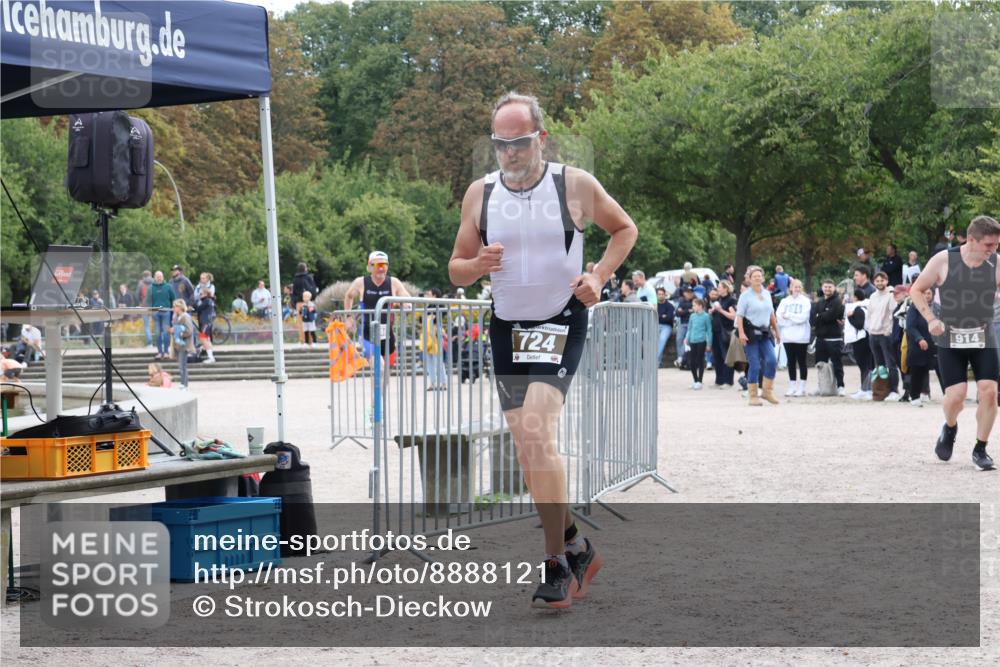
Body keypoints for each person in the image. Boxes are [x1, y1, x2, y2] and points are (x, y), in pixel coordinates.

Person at [447, 92, 636, 609]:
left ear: (541, 138)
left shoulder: (573, 184)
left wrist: (598, 274)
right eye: (501, 143)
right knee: (529, 451)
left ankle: (555, 563)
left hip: (559, 319)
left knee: (535, 431)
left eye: (520, 141)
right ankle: (579, 544)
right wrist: (480, 264)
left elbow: (624, 229)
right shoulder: (479, 194)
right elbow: (456, 268)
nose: (510, 152)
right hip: (507, 328)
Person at [910, 214, 1000, 471]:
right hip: (950, 334)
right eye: (989, 245)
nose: (993, 250)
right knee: (956, 397)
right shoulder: (943, 261)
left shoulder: (996, 263)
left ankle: (980, 449)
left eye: (996, 245)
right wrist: (929, 319)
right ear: (972, 239)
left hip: (983, 333)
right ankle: (950, 427)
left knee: (989, 391)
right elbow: (916, 290)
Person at [343, 251, 411, 365]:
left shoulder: (393, 282)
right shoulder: (361, 282)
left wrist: (405, 304)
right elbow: (348, 296)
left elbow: (407, 298)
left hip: (387, 332)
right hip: (367, 333)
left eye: (384, 265)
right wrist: (348, 317)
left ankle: (380, 383)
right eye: (378, 265)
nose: (381, 269)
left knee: (386, 371)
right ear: (370, 266)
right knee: (380, 365)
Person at [736, 265, 781, 406]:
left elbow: (771, 314)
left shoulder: (767, 293)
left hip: (765, 332)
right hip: (750, 334)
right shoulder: (745, 296)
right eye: (754, 276)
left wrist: (777, 331)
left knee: (772, 360)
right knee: (754, 364)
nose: (757, 278)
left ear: (763, 278)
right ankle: (753, 395)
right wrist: (741, 333)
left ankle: (767, 391)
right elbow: (740, 316)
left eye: (759, 276)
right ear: (749, 279)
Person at [865, 271, 900, 401]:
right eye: (877, 281)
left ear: (886, 281)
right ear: (874, 282)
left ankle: (894, 390)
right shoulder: (873, 296)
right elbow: (869, 315)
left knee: (890, 364)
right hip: (873, 334)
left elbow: (893, 314)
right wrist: (869, 329)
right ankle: (880, 390)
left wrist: (888, 330)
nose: (880, 283)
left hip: (885, 334)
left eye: (882, 280)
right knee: (878, 365)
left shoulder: (891, 295)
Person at [776, 279, 812, 397]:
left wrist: (789, 316)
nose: (797, 289)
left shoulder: (806, 301)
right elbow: (780, 317)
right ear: (790, 288)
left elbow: (803, 318)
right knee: (790, 362)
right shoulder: (784, 301)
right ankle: (792, 386)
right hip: (787, 336)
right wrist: (791, 320)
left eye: (799, 287)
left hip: (801, 336)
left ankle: (802, 387)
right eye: (795, 287)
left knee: (801, 361)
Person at [810, 279, 846, 396]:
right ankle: (822, 387)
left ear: (834, 288)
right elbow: (813, 319)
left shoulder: (837, 301)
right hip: (820, 339)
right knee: (821, 364)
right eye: (825, 287)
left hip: (834, 339)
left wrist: (819, 316)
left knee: (837, 363)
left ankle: (840, 386)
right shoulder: (819, 302)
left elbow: (831, 316)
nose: (827, 289)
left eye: (830, 287)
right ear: (822, 287)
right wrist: (822, 316)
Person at [905, 286, 939, 407]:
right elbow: (910, 327)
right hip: (919, 344)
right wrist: (919, 339)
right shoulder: (914, 307)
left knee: (940, 368)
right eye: (923, 293)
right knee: (918, 370)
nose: (926, 296)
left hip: (935, 343)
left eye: (928, 293)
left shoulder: (938, 308)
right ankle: (914, 396)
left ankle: (948, 394)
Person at [846, 288, 874, 400]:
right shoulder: (866, 306)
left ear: (856, 297)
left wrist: (849, 317)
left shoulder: (858, 309)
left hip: (861, 339)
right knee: (866, 365)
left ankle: (866, 389)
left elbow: (859, 324)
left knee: (864, 366)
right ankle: (865, 388)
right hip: (866, 338)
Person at [709, 280, 737, 388]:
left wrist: (720, 310)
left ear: (725, 288)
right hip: (716, 331)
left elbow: (733, 316)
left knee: (727, 356)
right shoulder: (720, 299)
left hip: (726, 331)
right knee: (717, 356)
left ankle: (728, 381)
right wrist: (712, 311)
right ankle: (719, 380)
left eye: (719, 287)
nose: (718, 289)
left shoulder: (731, 300)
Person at [420, 288, 448, 391]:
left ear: (435, 295)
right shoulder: (428, 305)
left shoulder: (439, 304)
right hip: (427, 337)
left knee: (438, 361)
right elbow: (420, 319)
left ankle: (444, 382)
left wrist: (435, 318)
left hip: (435, 335)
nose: (427, 295)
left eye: (429, 293)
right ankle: (432, 383)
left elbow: (443, 313)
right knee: (429, 361)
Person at [684, 298, 711, 389]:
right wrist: (686, 338)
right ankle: (695, 380)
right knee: (692, 362)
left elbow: (709, 330)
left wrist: (709, 343)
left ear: (700, 306)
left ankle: (700, 381)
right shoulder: (692, 316)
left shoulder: (706, 316)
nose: (693, 307)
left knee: (700, 361)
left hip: (702, 341)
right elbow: (689, 328)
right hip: (692, 341)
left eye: (694, 305)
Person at [148, 271, 176, 360]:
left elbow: (174, 299)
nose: (159, 278)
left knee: (166, 332)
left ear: (163, 277)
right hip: (155, 312)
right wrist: (150, 312)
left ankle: (166, 352)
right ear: (154, 278)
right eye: (157, 276)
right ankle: (160, 352)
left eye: (160, 276)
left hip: (166, 311)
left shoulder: (168, 287)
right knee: (158, 332)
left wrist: (174, 311)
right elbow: (149, 301)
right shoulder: (151, 288)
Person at [169, 298, 195, 389]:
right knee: (181, 365)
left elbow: (189, 331)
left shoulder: (185, 317)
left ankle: (184, 384)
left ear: (180, 307)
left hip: (184, 345)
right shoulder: (176, 317)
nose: (173, 308)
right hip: (178, 345)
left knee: (182, 366)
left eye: (174, 306)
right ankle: (183, 383)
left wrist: (179, 333)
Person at [292, 262, 319, 344]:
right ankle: (312, 340)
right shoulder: (308, 278)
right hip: (309, 302)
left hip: (299, 303)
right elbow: (313, 289)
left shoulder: (295, 279)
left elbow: (294, 292)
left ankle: (302, 340)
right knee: (311, 321)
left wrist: (295, 301)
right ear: (305, 269)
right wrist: (312, 297)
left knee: (301, 322)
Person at [194, 272, 217, 364]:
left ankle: (211, 357)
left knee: (203, 338)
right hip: (207, 321)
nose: (200, 295)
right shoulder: (208, 301)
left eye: (202, 294)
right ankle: (210, 356)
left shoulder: (206, 301)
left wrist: (192, 307)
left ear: (206, 294)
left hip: (206, 322)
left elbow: (199, 308)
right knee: (206, 339)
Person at [674, 286, 695, 367]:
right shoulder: (681, 301)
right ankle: (680, 358)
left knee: (687, 341)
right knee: (679, 339)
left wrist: (683, 310)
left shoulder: (695, 300)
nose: (690, 293)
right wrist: (688, 310)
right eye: (688, 292)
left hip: (691, 324)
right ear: (684, 293)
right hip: (682, 323)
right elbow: (677, 313)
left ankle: (683, 359)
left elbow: (694, 311)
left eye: (691, 292)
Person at [655, 287, 675, 368]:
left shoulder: (670, 306)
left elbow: (669, 318)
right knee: (651, 340)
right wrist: (662, 316)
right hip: (655, 325)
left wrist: (659, 316)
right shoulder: (654, 304)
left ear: (665, 295)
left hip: (667, 326)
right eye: (659, 294)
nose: (661, 296)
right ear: (656, 295)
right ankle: (657, 362)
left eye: (662, 294)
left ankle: (656, 362)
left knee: (662, 339)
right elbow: (653, 317)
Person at [136, 270, 153, 346]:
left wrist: (141, 302)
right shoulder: (154, 282)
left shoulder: (141, 283)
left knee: (146, 325)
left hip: (144, 306)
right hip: (154, 306)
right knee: (157, 323)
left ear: (143, 276)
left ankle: (150, 342)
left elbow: (137, 295)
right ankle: (160, 342)